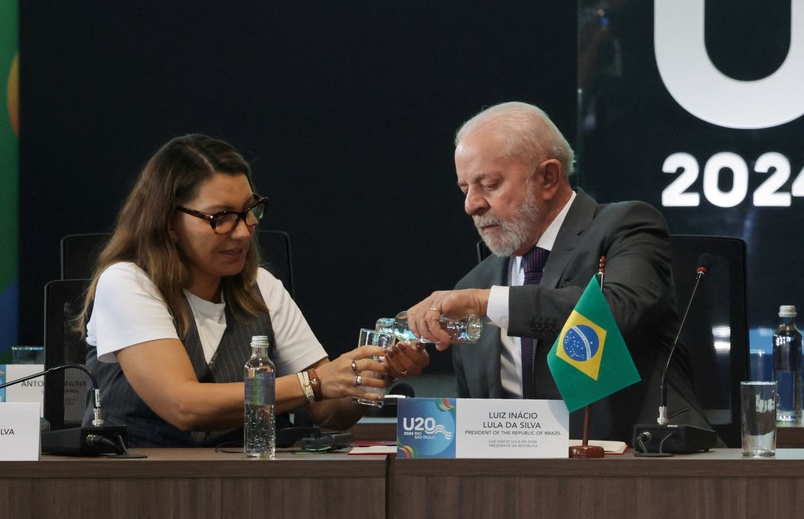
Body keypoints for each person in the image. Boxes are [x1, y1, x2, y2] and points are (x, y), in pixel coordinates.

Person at [78, 133, 428, 447]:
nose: (244, 232)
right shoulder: (127, 282)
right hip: (139, 485)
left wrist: (371, 375)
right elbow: (183, 406)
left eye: (250, 211)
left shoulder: (262, 287)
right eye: (221, 217)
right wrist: (313, 383)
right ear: (168, 222)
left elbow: (328, 413)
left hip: (248, 484)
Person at [405, 101, 712, 442]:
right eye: (465, 190)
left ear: (548, 177)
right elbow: (474, 423)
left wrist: (486, 302)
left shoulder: (626, 227)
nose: (471, 205)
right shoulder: (475, 284)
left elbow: (614, 313)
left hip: (636, 469)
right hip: (516, 483)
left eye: (488, 185)